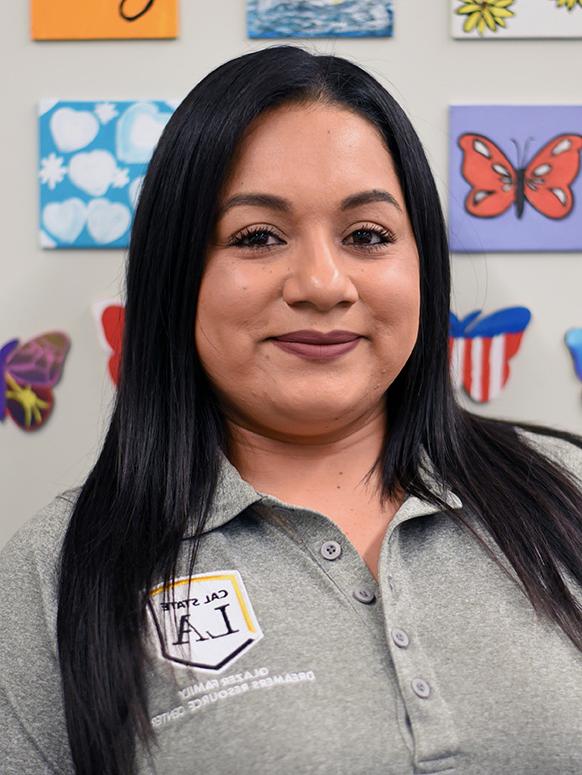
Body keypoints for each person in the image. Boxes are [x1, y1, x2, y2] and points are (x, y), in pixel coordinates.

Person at [1, 44, 582, 775]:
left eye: (367, 235)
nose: (321, 283)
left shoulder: (567, 489)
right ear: (177, 275)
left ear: (423, 263)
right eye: (258, 237)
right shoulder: (56, 570)